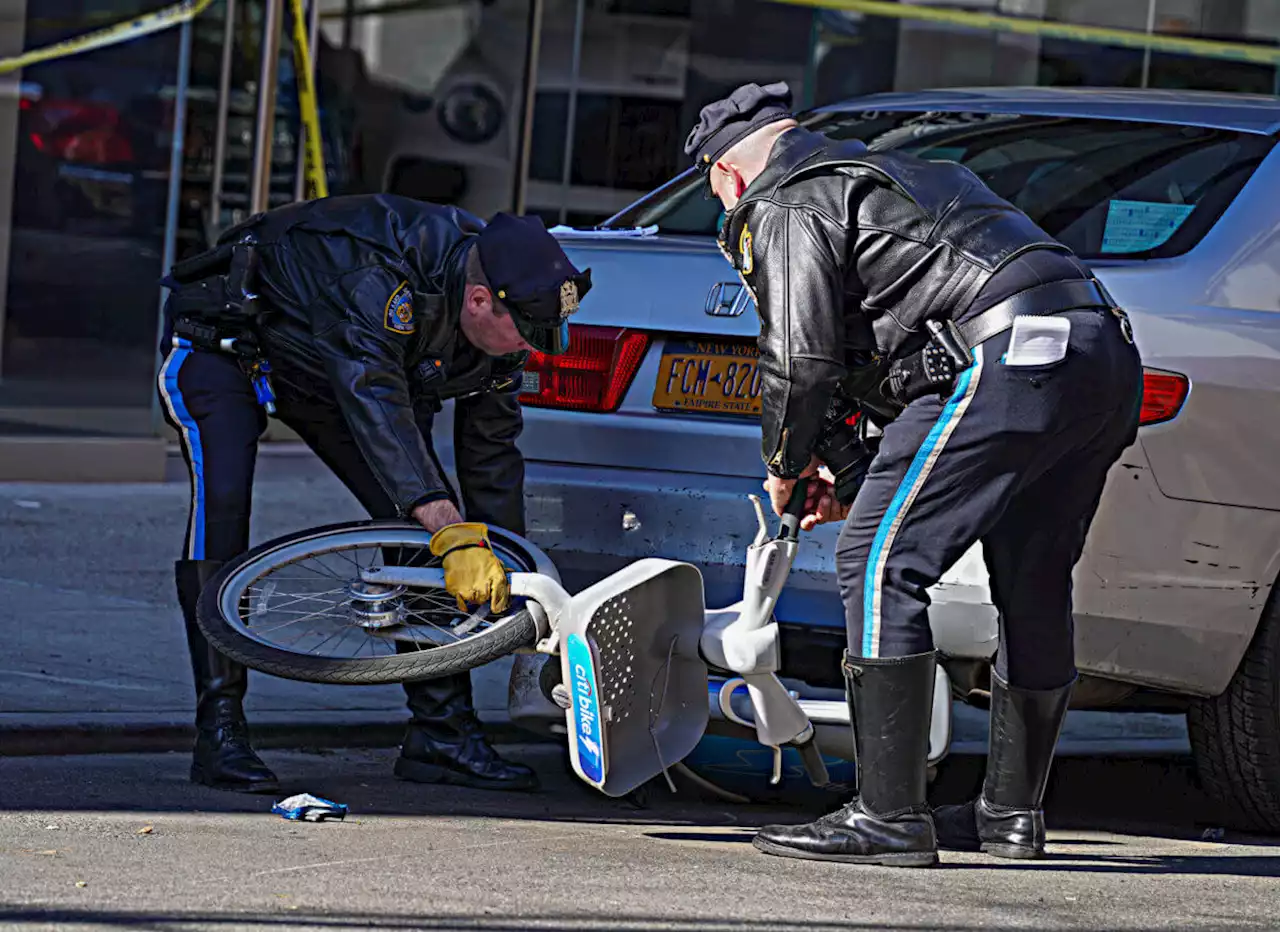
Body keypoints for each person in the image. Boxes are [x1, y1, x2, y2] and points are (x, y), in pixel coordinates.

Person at [684, 83, 1142, 866]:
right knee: (1032, 578)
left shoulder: (788, 200)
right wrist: (858, 473)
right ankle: (1007, 816)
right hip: (1100, 353)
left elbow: (800, 361)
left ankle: (888, 815)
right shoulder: (896, 175)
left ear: (727, 175)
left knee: (881, 561)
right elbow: (900, 345)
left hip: (1002, 356)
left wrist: (786, 469)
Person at [156, 195, 591, 795]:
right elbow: (375, 400)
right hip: (225, 348)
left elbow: (491, 455)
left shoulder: (503, 319)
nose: (531, 348)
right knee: (224, 515)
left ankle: (441, 735)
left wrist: (508, 570)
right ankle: (220, 731)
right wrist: (449, 528)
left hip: (324, 370)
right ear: (480, 300)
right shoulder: (377, 277)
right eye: (527, 334)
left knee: (420, 530)